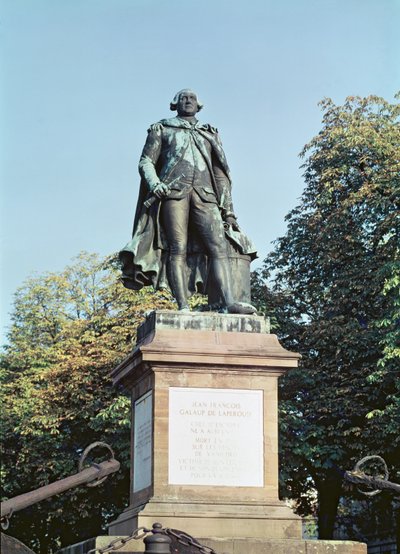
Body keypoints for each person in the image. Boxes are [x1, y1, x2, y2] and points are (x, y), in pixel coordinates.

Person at [119, 89, 256, 313]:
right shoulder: (162, 129)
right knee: (177, 249)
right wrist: (155, 184)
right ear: (175, 104)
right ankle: (183, 306)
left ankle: (228, 302)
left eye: (192, 98)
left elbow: (221, 174)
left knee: (218, 248)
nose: (188, 101)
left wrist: (228, 211)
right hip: (174, 193)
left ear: (198, 105)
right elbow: (146, 162)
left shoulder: (208, 133)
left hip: (206, 196)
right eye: (183, 98)